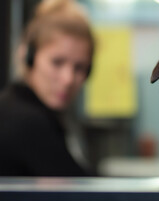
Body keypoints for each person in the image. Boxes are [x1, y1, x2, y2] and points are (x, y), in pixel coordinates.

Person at [0, 0, 95, 176]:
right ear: (29, 57)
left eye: (79, 67)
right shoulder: (25, 121)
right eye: (57, 62)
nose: (68, 79)